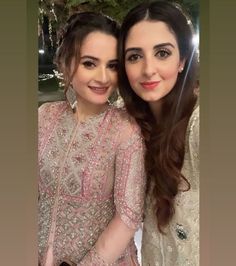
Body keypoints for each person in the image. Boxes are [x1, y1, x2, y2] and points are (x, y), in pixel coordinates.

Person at [38, 11, 146, 266]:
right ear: (65, 63)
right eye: (89, 63)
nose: (103, 77)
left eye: (112, 66)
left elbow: (129, 215)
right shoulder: (44, 116)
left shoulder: (126, 130)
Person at [118, 1, 199, 265]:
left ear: (182, 60)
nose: (148, 69)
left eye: (162, 53)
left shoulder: (199, 122)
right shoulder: (126, 125)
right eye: (135, 56)